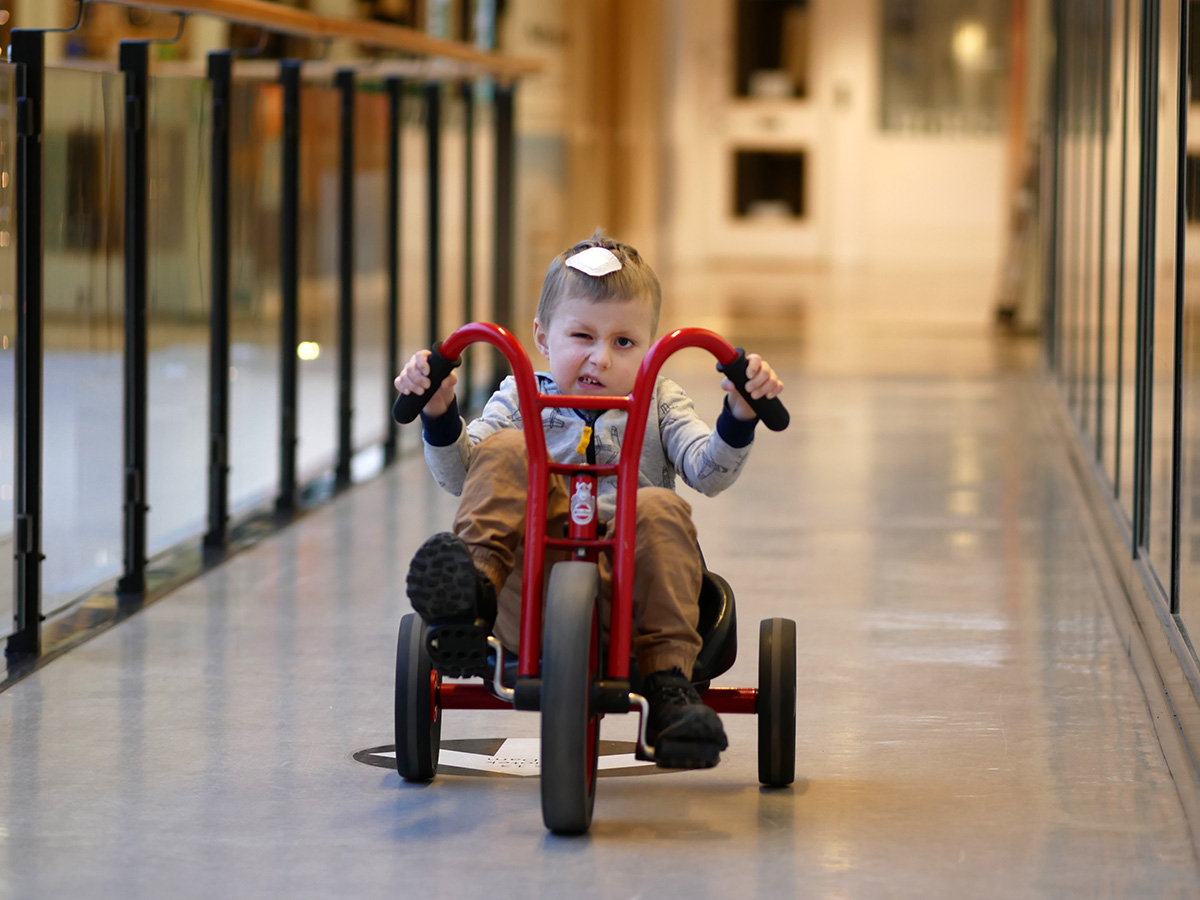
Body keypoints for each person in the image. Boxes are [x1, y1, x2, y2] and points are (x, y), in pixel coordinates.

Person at [394, 232, 784, 769]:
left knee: (659, 508)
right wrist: (439, 411)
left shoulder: (659, 401)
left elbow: (706, 471)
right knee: (506, 450)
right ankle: (471, 597)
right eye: (582, 335)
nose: (600, 357)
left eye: (624, 342)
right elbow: (464, 474)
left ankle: (670, 687)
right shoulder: (520, 394)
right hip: (530, 593)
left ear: (649, 347)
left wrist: (738, 416)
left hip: (632, 594)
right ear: (543, 337)